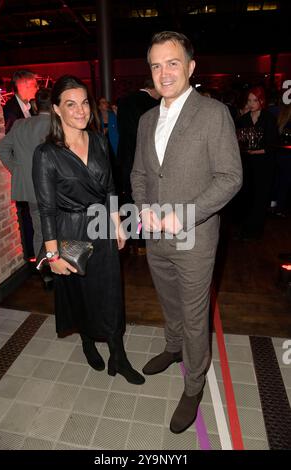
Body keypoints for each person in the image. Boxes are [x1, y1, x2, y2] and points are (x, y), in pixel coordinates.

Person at [131, 31, 242, 433]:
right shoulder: (145, 119)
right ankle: (173, 348)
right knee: (168, 300)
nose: (164, 72)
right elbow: (140, 173)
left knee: (196, 316)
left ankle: (194, 383)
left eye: (172, 62)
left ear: (191, 67)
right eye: (156, 65)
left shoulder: (213, 114)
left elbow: (231, 177)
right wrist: (143, 210)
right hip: (155, 237)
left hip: (195, 236)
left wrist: (185, 215)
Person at [32, 75, 144, 385]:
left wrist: (117, 223)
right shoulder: (46, 154)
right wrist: (52, 254)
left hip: (100, 224)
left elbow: (109, 186)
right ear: (57, 109)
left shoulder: (97, 139)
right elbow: (46, 208)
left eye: (84, 103)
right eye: (71, 104)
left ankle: (118, 356)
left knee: (110, 292)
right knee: (80, 292)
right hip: (69, 230)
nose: (81, 111)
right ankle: (86, 341)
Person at [0, 88, 51, 258]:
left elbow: (1, 148)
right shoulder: (58, 125)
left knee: (39, 231)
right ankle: (61, 274)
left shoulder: (20, 124)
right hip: (54, 188)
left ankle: (45, 273)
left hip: (31, 190)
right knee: (60, 230)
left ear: (36, 106)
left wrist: (18, 170)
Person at [236, 86, 278, 239]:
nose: (252, 103)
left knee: (260, 197)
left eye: (255, 100)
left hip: (264, 164)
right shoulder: (244, 119)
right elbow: (237, 140)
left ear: (262, 101)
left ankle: (255, 230)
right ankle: (245, 228)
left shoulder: (269, 118)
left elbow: (272, 145)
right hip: (247, 163)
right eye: (249, 100)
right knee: (246, 196)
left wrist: (256, 151)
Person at [117, 78, 160, 205]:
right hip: (143, 155)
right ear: (155, 88)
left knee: (128, 192)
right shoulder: (153, 104)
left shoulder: (123, 100)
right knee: (144, 191)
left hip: (125, 152)